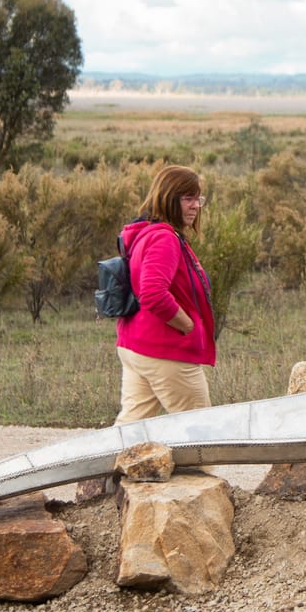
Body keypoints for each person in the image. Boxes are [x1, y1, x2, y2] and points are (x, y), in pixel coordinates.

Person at [115, 164, 219, 424]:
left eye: (198, 199)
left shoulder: (146, 233)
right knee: (200, 430)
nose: (195, 206)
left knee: (131, 429)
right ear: (169, 198)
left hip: (137, 346)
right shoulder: (165, 239)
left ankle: (110, 454)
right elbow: (153, 293)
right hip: (165, 351)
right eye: (188, 199)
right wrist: (187, 326)